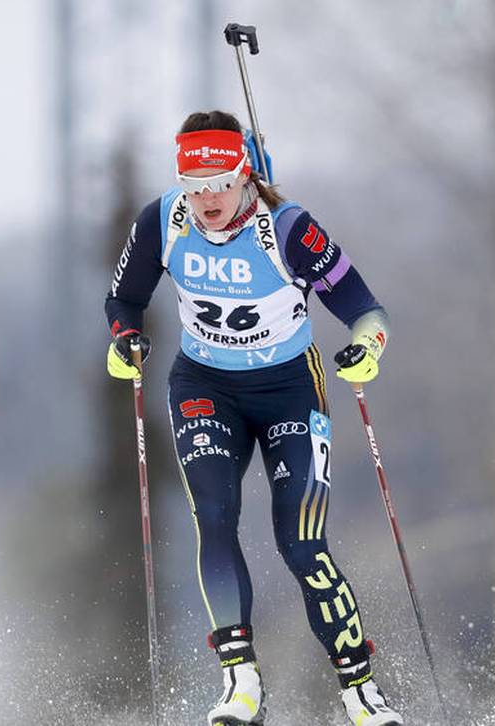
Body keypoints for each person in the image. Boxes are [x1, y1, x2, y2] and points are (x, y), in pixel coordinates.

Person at [104, 110, 402, 726]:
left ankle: (360, 691)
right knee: (213, 518)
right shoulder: (163, 219)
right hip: (204, 386)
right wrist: (125, 336)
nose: (207, 197)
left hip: (291, 389)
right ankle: (241, 684)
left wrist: (365, 351)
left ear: (245, 174)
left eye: (219, 181)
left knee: (301, 543)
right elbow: (124, 296)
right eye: (194, 181)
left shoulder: (289, 229)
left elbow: (365, 310)